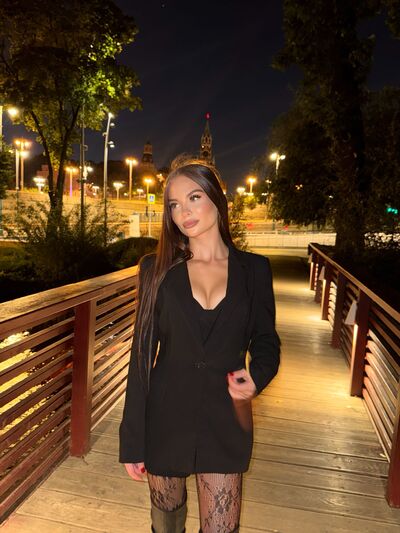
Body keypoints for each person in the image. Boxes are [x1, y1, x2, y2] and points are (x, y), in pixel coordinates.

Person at [119, 158, 280, 533]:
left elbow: (266, 338)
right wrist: (133, 441)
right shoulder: (156, 269)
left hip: (225, 418)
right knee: (167, 524)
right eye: (174, 204)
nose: (183, 212)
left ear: (217, 199)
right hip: (165, 416)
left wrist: (257, 376)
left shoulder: (255, 270)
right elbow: (141, 356)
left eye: (193, 197)